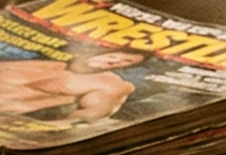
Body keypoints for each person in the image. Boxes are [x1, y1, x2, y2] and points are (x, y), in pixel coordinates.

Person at [0, 49, 145, 123]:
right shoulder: (48, 62)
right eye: (112, 56)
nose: (114, 62)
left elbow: (81, 121)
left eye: (126, 62)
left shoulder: (111, 85)